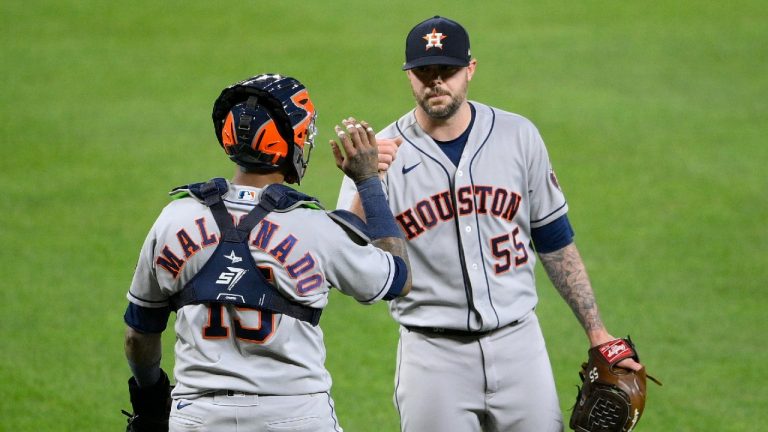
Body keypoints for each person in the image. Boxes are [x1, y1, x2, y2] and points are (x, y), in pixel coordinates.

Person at [336, 16, 644, 432]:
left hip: (520, 348)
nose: (435, 82)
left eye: (447, 71)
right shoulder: (377, 156)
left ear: (470, 70)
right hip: (432, 358)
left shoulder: (518, 136)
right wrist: (365, 183)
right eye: (424, 72)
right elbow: (351, 263)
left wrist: (597, 331)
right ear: (409, 76)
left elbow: (555, 242)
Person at [123, 73, 411, 432]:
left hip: (198, 417)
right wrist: (368, 180)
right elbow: (397, 276)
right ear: (292, 142)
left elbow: (138, 335)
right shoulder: (315, 227)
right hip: (296, 417)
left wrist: (151, 399)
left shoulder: (174, 219)